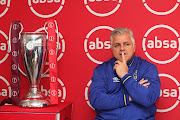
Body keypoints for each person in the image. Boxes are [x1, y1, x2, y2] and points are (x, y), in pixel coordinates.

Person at [89, 27, 161, 120]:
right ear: (112, 48)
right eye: (117, 45)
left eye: (126, 44)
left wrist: (125, 76)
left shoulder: (148, 68)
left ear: (134, 47)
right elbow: (97, 100)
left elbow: (148, 98)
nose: (122, 48)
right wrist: (130, 97)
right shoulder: (101, 70)